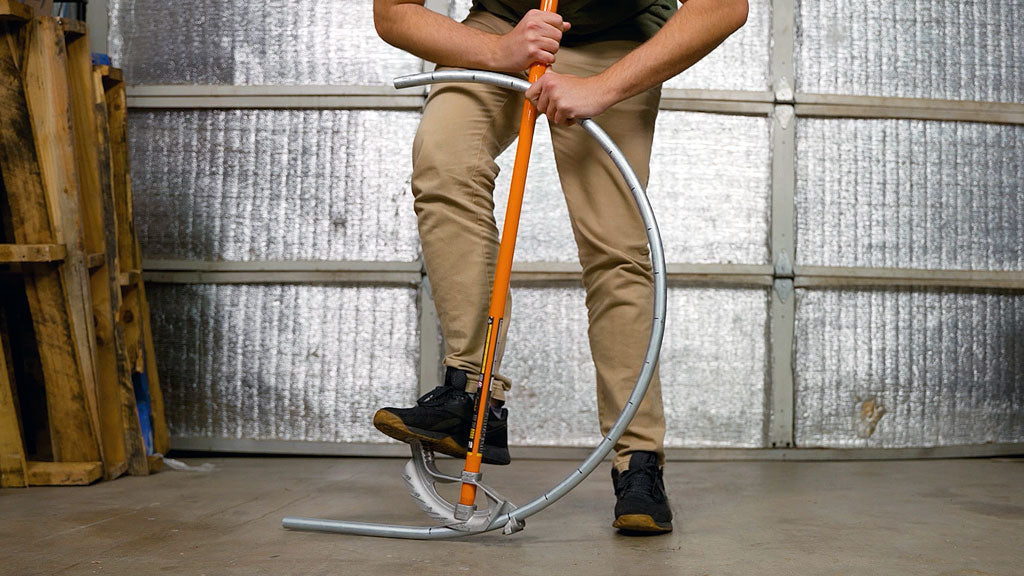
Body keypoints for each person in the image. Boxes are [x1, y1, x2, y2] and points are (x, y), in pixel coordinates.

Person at [371, 0, 747, 534]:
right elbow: (393, 12)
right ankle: (471, 400)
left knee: (615, 243)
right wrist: (498, 50)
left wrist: (605, 87)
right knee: (445, 162)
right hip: (505, 23)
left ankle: (638, 464)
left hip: (618, 33)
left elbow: (726, 6)